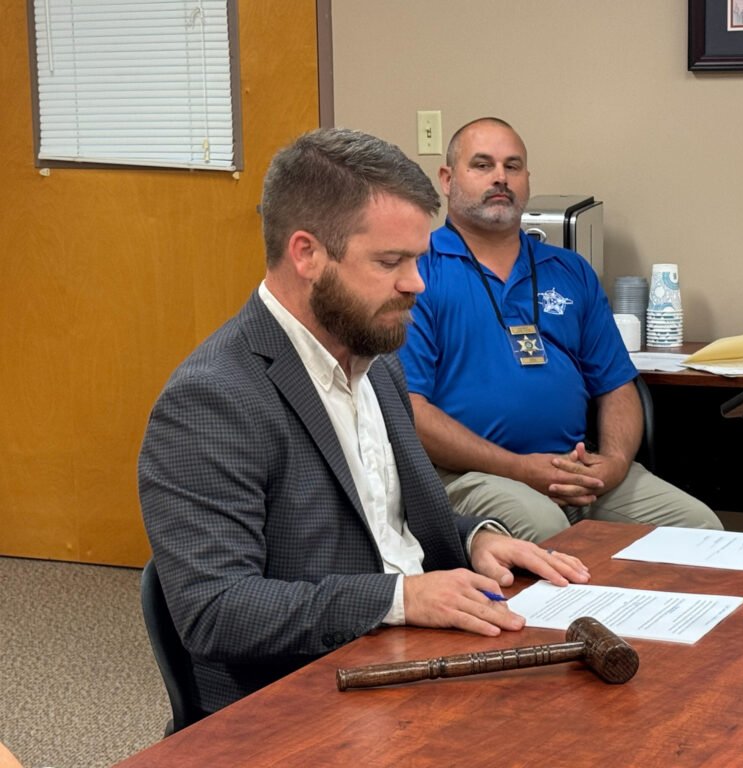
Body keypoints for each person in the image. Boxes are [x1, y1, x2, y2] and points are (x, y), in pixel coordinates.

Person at [138, 127, 590, 716]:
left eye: (418, 259)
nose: (416, 284)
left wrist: (476, 540)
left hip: (411, 658)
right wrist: (400, 599)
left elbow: (381, 522)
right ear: (306, 254)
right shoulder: (211, 400)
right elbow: (216, 610)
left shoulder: (376, 359)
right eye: (390, 262)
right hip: (298, 702)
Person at [398, 117, 723, 542]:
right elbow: (410, 411)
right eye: (482, 165)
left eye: (512, 166)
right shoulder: (419, 272)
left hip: (578, 470)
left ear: (527, 180)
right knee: (548, 531)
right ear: (447, 178)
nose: (500, 177)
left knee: (702, 530)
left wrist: (614, 463)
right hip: (469, 476)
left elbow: (618, 385)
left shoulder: (570, 271)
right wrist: (519, 468)